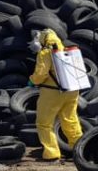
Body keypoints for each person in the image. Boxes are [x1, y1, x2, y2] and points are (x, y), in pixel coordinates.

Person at [28, 29, 83, 161]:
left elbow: (41, 74)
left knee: (44, 124)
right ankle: (80, 149)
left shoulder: (45, 53)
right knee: (70, 121)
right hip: (72, 90)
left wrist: (32, 81)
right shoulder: (66, 51)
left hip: (52, 92)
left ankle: (51, 154)